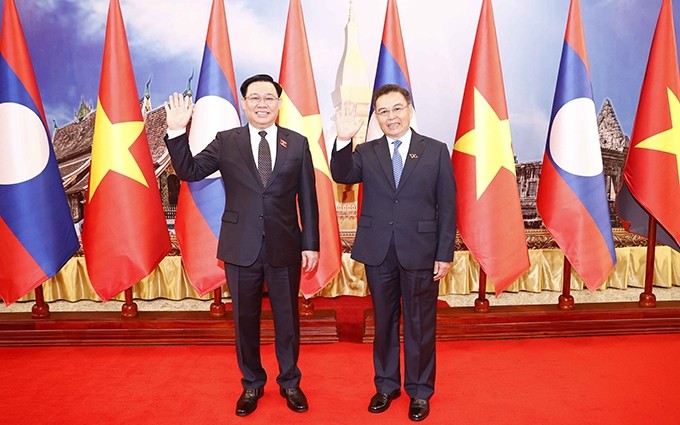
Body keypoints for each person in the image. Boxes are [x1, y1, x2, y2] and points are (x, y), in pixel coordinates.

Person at [164, 74, 319, 417]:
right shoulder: (226, 141)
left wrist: (311, 243)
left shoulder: (296, 143)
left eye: (269, 98)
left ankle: (290, 382)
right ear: (244, 104)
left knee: (287, 320)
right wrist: (176, 131)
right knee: (244, 320)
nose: (262, 104)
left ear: (279, 104)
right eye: (254, 98)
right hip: (240, 246)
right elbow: (190, 170)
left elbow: (308, 197)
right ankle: (252, 383)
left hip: (285, 245)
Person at [331, 84, 456, 422]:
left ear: (410, 109)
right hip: (379, 251)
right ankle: (386, 386)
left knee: (419, 324)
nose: (391, 117)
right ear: (377, 116)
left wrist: (444, 253)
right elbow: (341, 174)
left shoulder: (435, 151)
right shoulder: (367, 152)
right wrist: (343, 140)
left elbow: (447, 206)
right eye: (383, 111)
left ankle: (419, 391)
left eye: (397, 108)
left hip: (422, 251)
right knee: (384, 322)